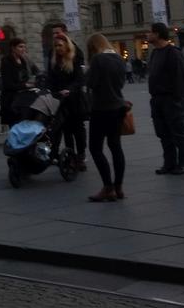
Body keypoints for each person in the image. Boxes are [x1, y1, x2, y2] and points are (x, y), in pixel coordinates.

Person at [85, 34, 128, 202]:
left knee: (95, 148)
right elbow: (121, 83)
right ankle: (119, 187)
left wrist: (87, 73)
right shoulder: (118, 58)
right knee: (115, 146)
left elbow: (90, 83)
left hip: (101, 108)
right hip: (118, 107)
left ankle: (107, 187)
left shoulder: (97, 60)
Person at [148, 22, 184, 175]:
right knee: (163, 133)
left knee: (178, 131)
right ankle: (169, 163)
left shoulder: (172, 52)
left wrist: (177, 101)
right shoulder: (155, 52)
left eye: (150, 32)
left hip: (171, 99)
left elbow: (180, 78)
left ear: (158, 34)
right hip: (157, 99)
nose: (148, 35)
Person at [48, 31, 87, 171]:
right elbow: (50, 79)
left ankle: (81, 157)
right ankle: (71, 156)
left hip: (75, 99)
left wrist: (69, 89)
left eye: (60, 45)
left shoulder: (74, 58)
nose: (57, 48)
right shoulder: (53, 61)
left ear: (66, 45)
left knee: (78, 129)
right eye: (55, 46)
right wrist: (51, 91)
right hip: (60, 100)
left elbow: (80, 80)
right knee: (66, 130)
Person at [0, 38, 36, 126]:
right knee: (14, 127)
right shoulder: (6, 61)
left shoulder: (23, 60)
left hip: (22, 98)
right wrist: (25, 85)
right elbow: (8, 84)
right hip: (10, 100)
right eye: (20, 47)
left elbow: (33, 72)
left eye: (24, 47)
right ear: (13, 48)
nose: (23, 49)